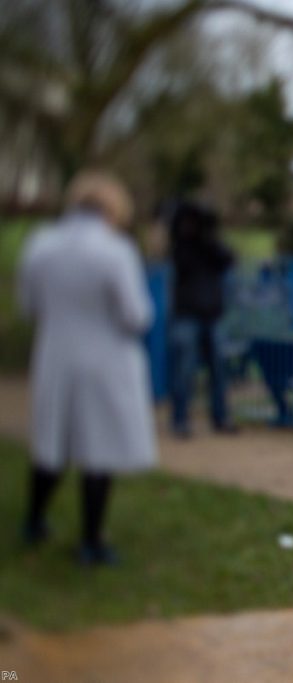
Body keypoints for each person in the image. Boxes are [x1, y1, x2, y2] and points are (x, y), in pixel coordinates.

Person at [17, 169, 157, 565]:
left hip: (56, 353)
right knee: (99, 449)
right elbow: (136, 314)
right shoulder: (115, 251)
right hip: (104, 358)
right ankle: (92, 539)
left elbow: (30, 305)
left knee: (52, 442)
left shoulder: (41, 245)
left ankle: (34, 519)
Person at [168, 200, 237, 437]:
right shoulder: (181, 246)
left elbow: (227, 259)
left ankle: (220, 417)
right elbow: (182, 263)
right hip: (187, 314)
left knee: (219, 370)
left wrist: (209, 237)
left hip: (213, 314)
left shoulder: (212, 246)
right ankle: (180, 420)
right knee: (184, 370)